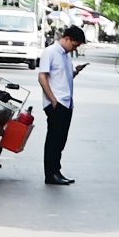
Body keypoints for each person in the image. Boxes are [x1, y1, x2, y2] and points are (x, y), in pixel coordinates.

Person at [37, 24, 85, 186]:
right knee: (53, 139)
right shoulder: (50, 52)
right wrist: (53, 100)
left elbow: (63, 77)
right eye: (74, 45)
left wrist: (75, 71)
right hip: (56, 103)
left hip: (67, 102)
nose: (74, 49)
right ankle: (50, 174)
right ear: (67, 39)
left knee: (61, 140)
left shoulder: (66, 55)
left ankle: (56, 171)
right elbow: (42, 77)